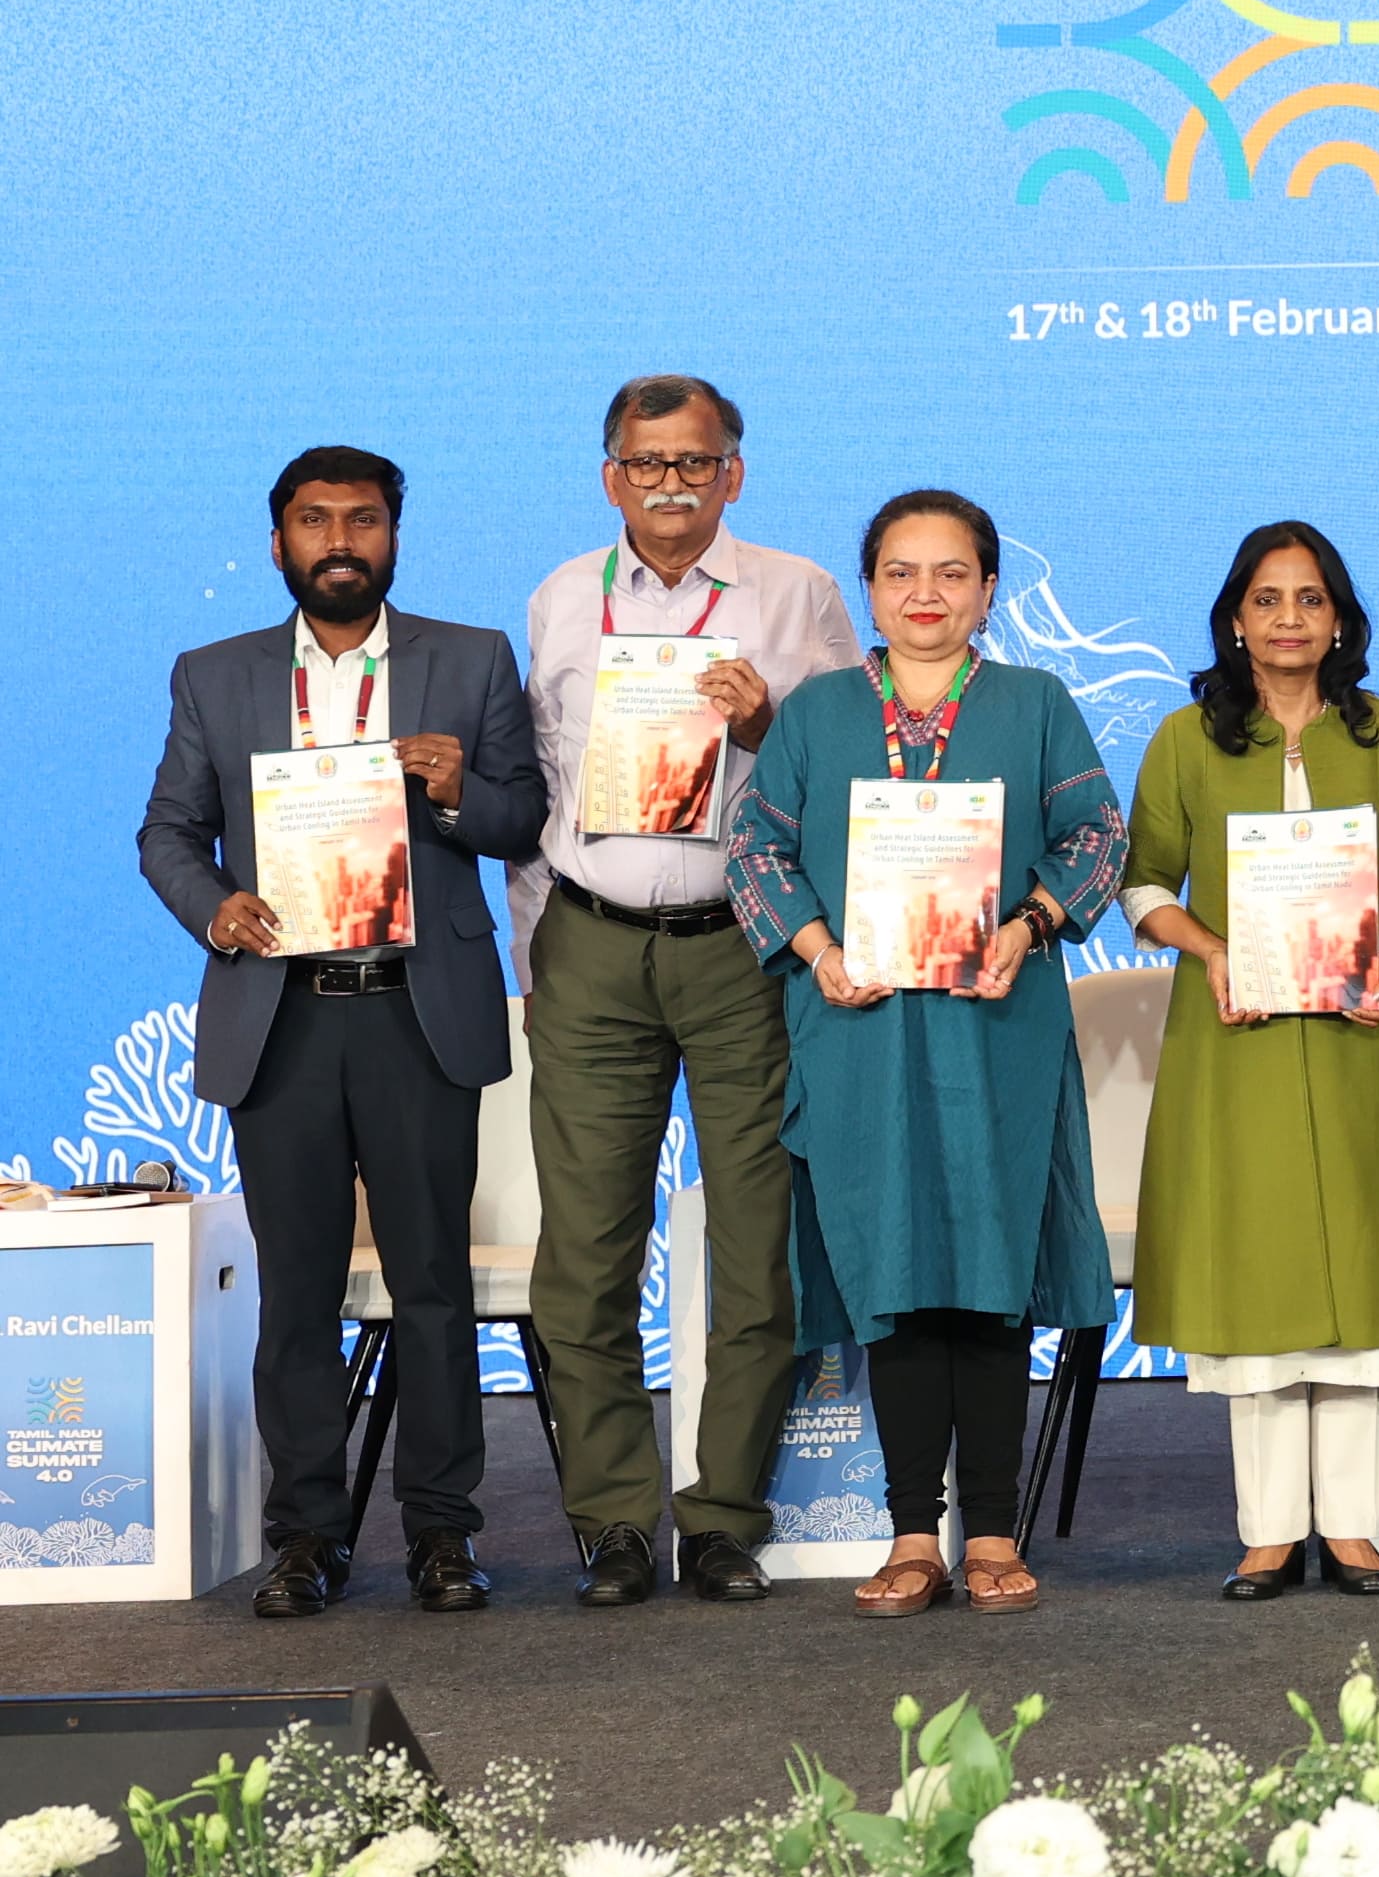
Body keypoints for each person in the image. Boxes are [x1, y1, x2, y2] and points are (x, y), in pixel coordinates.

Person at [137, 447, 545, 1619]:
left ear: (393, 539)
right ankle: (307, 1537)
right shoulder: (214, 675)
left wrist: (461, 790)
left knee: (433, 1287)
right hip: (284, 1016)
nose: (340, 542)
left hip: (419, 1011)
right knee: (298, 1294)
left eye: (363, 521)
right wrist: (214, 907)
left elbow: (524, 820)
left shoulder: (470, 659)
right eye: (315, 522)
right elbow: (168, 831)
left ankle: (443, 1535)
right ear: (279, 544)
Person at [724, 490, 1126, 1615]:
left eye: (952, 573)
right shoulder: (817, 713)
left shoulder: (1034, 704)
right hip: (859, 1028)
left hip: (996, 1026)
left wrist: (1028, 925)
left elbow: (1098, 835)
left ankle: (991, 1533)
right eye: (901, 573)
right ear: (870, 590)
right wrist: (816, 950)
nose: (926, 595)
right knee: (892, 1273)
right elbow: (755, 847)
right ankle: (912, 1535)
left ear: (988, 590)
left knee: (989, 1275)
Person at [511, 377, 857, 1608]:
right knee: (584, 1254)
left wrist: (767, 726)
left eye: (695, 462)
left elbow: (849, 776)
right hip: (592, 945)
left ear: (733, 474)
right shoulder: (561, 596)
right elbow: (538, 790)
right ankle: (613, 1519)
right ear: (612, 476)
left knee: (757, 1248)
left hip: (741, 945)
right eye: (648, 463)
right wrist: (536, 956)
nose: (671, 483)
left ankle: (724, 1518)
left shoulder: (798, 594)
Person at [1121, 522, 1379, 1599]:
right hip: (1238, 1040)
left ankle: (1355, 1529)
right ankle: (1270, 1532)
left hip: (1367, 1034)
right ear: (1236, 619)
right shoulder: (1186, 740)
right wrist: (1210, 950)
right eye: (1267, 599)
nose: (1288, 618)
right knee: (1257, 1269)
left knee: (1366, 1266)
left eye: (1310, 599)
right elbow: (1144, 886)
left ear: (1339, 621)